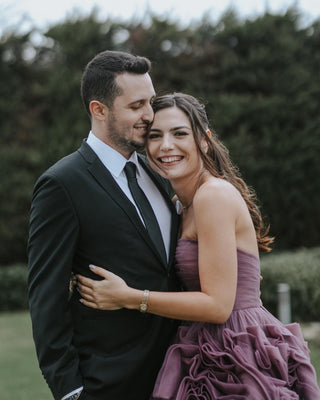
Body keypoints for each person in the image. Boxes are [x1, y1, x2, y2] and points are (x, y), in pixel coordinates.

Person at [76, 92, 320, 399]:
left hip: (235, 349)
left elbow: (218, 307)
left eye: (179, 133)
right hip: (202, 342)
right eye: (155, 136)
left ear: (204, 141)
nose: (166, 146)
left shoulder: (212, 196)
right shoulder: (180, 203)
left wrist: (130, 297)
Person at [27, 51, 181, 400]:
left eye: (151, 102)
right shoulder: (62, 184)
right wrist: (71, 390)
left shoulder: (159, 172)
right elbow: (45, 298)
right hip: (108, 384)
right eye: (136, 105)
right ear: (99, 110)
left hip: (179, 374)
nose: (149, 115)